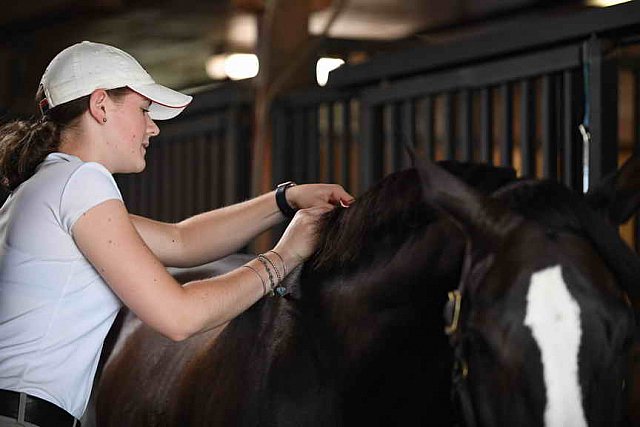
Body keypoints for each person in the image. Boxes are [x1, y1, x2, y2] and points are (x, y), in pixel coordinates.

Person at [0, 41, 353, 427]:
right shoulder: (83, 181)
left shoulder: (47, 186)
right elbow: (179, 316)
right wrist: (285, 257)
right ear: (100, 105)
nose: (152, 126)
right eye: (143, 110)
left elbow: (182, 241)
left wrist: (284, 199)